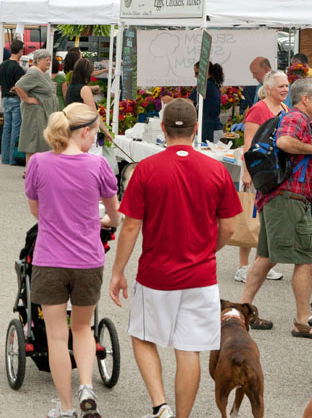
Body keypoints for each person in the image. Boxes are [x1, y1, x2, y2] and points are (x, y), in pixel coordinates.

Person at [110, 99, 241, 418]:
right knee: (189, 350)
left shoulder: (146, 170)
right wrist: (209, 250)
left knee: (142, 336)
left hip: (157, 274)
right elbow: (230, 227)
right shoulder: (216, 170)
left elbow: (130, 227)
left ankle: (160, 406)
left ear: (163, 129)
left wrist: (117, 272)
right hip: (200, 276)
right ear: (196, 129)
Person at [26, 102, 120, 418]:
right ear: (83, 132)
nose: (96, 140)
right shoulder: (98, 167)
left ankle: (66, 408)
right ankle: (87, 389)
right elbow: (115, 214)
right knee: (82, 329)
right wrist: (104, 221)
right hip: (88, 260)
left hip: (50, 259)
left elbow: (37, 212)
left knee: (56, 336)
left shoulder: (38, 163)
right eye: (95, 133)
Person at [238, 77, 312, 335]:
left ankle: (242, 313)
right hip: (289, 198)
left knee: (265, 259)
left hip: (279, 197)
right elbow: (284, 142)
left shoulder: (293, 116)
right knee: (306, 257)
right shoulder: (297, 118)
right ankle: (303, 322)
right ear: (306, 99)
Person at [236, 70, 289, 284]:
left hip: (275, 170)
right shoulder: (258, 110)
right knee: (250, 216)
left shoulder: (285, 108)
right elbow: (248, 143)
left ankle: (261, 262)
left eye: (286, 85)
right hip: (257, 168)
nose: (285, 89)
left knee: (266, 218)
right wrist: (248, 173)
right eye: (281, 86)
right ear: (268, 90)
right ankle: (242, 266)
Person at [15, 49, 59, 173]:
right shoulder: (34, 72)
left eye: (50, 59)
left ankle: (37, 170)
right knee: (33, 141)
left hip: (44, 111)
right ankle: (30, 171)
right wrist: (27, 99)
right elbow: (18, 86)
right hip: (35, 113)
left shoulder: (44, 73)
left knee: (42, 141)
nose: (49, 62)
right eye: (46, 59)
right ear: (38, 60)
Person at [0, 39, 26, 165]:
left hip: (5, 98)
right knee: (15, 128)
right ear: (20, 51)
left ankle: (4, 157)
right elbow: (20, 86)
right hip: (15, 99)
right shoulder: (18, 69)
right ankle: (12, 158)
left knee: (6, 128)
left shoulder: (2, 65)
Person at [189, 62, 224, 143]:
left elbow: (188, 102)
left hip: (209, 130)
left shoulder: (204, 85)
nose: (195, 76)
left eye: (197, 73)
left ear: (204, 72)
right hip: (213, 129)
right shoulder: (213, 84)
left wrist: (171, 101)